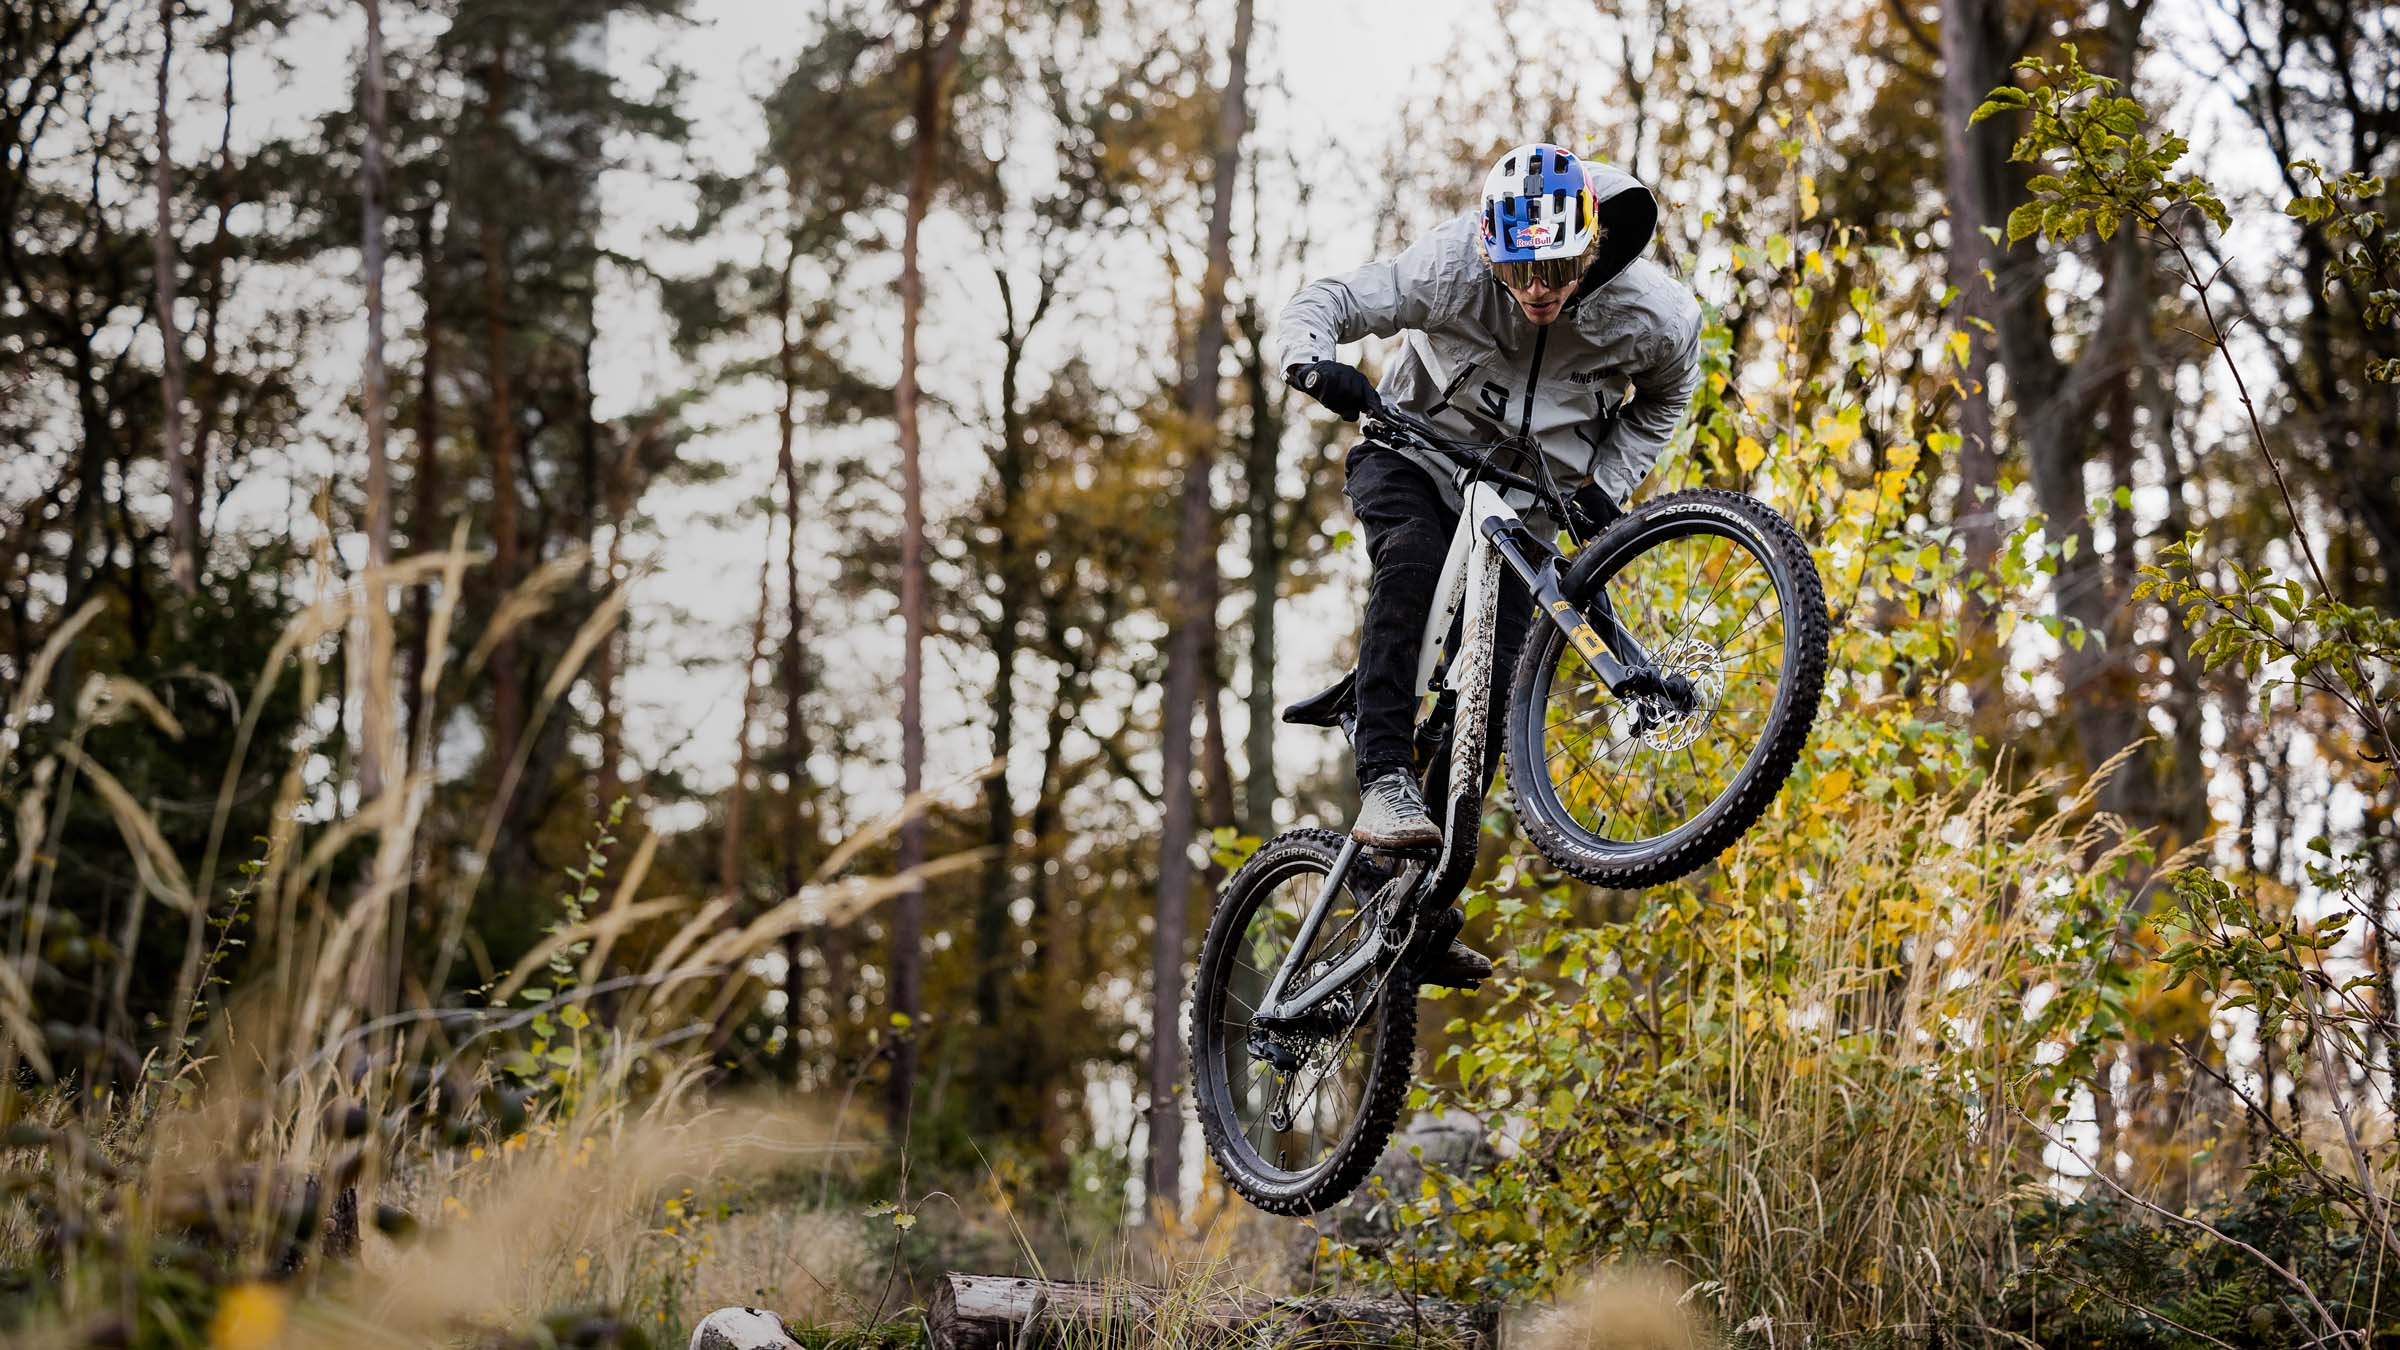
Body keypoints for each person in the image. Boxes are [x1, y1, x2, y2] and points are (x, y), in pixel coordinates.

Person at [1275, 142, 1701, 985]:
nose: (1537, 289)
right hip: (1415, 458)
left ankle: (1417, 912)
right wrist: (1312, 358)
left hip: (1526, 500)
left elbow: (1666, 401)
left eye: (1556, 267)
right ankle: (1385, 777)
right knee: (1412, 559)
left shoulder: (1653, 314)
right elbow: (1333, 299)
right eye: (1519, 270)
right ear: (1490, 247)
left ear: (1591, 241)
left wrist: (1604, 482)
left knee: (1497, 690)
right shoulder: (1449, 266)